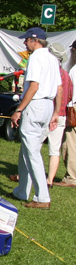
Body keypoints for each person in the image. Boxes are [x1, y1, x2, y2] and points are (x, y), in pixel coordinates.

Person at [9, 27, 60, 208]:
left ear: (34, 40)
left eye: (26, 40)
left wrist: (19, 110)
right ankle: (22, 190)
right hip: (48, 105)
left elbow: (34, 86)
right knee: (27, 149)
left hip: (36, 104)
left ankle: (42, 197)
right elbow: (59, 88)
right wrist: (55, 112)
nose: (24, 43)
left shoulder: (36, 58)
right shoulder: (53, 59)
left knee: (32, 152)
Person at [45, 42, 73, 186]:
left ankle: (27, 174)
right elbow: (69, 95)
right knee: (54, 150)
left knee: (34, 146)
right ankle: (50, 179)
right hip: (62, 114)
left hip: (49, 113)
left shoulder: (50, 73)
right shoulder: (67, 75)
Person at [59, 39, 76, 187]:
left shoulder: (74, 69)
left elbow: (71, 93)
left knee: (69, 145)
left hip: (74, 108)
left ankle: (71, 177)